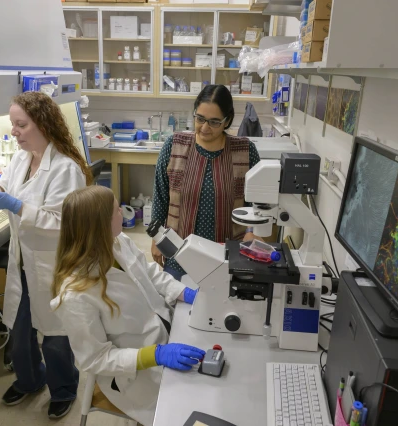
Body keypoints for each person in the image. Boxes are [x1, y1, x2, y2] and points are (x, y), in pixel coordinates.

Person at [0, 91, 92, 419]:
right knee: (19, 333)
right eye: (13, 124)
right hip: (23, 262)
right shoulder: (22, 159)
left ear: (44, 124)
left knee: (54, 335)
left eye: (21, 125)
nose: (14, 131)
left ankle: (63, 388)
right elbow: (10, 190)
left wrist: (15, 205)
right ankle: (30, 379)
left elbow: (63, 221)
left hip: (53, 264)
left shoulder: (65, 168)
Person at [50, 185, 204, 426]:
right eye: (115, 210)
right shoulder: (75, 295)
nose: (122, 212)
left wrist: (183, 292)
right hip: (133, 376)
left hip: (167, 331)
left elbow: (150, 272)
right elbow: (95, 359)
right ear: (99, 225)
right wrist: (154, 355)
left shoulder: (118, 242)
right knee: (186, 411)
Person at [151, 84, 262, 280]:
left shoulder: (245, 152)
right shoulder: (174, 146)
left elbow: (259, 203)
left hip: (229, 257)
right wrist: (157, 239)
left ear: (227, 121)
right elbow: (160, 197)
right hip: (179, 255)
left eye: (214, 122)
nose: (204, 127)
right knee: (179, 307)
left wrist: (252, 232)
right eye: (200, 118)